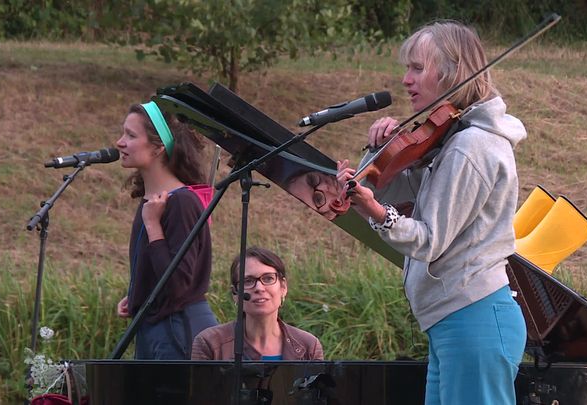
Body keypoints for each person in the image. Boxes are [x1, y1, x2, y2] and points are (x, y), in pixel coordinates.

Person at [336, 21, 527, 405]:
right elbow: (396, 189)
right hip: (453, 319)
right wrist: (375, 155)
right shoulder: (453, 139)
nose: (406, 80)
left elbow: (427, 239)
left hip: (472, 317)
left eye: (417, 68)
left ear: (453, 71)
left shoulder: (469, 147)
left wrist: (374, 210)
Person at [115, 101, 218, 359]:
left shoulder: (181, 203)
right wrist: (138, 294)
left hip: (178, 333)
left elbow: (177, 285)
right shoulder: (151, 203)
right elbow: (159, 273)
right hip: (155, 329)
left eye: (131, 135)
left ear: (159, 147)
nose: (120, 142)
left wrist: (152, 226)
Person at [191, 247, 323, 360]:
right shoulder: (209, 343)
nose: (259, 288)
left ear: (283, 287)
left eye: (268, 278)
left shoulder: (309, 346)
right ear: (235, 294)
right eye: (248, 281)